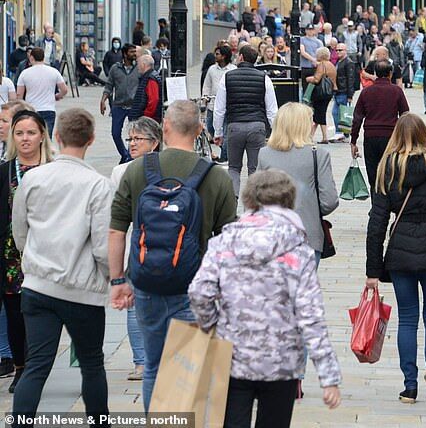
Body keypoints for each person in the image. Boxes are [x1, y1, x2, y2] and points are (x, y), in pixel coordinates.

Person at [108, 100, 237, 410]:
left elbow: (116, 231)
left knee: (152, 365)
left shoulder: (137, 169)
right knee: (185, 370)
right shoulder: (216, 176)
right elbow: (228, 241)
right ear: (200, 130)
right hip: (193, 285)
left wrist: (118, 280)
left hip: (146, 281)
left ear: (164, 128)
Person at [189, 169, 342, 425]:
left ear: (249, 200)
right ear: (289, 201)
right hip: (281, 363)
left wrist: (212, 324)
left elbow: (199, 291)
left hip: (232, 357)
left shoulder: (223, 243)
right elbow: (310, 316)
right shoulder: (298, 250)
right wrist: (329, 378)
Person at [11, 109, 112, 422]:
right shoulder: (98, 184)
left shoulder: (34, 178)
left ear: (55, 136)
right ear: (91, 140)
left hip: (39, 285)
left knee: (37, 365)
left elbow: (19, 230)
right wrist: (112, 277)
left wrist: (33, 261)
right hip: (81, 289)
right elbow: (102, 245)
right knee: (92, 364)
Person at [365, 114, 426, 404]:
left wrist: (372, 269)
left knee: (407, 318)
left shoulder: (388, 168)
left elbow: (377, 222)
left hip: (401, 252)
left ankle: (410, 385)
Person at [0, 110, 54, 393]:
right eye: (19, 133)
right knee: (15, 314)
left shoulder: (53, 170)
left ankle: (36, 366)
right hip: (11, 256)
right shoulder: (5, 170)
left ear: (42, 135)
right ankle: (21, 367)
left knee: (40, 315)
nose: (25, 138)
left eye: (31, 132)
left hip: (45, 255)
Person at [110, 117, 163, 382]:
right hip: (156, 247)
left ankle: (143, 362)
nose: (131, 144)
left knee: (136, 306)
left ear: (154, 143)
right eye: (130, 139)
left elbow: (113, 218)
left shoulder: (122, 172)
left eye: (137, 139)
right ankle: (143, 361)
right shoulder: (124, 171)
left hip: (138, 247)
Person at [258, 102, 339, 262]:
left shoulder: (264, 154)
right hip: (307, 236)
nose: (313, 124)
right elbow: (329, 201)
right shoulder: (318, 155)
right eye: (310, 120)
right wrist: (312, 211)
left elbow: (255, 199)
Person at [213, 46, 279, 195]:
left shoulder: (227, 77)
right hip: (257, 126)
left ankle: (233, 200)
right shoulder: (264, 78)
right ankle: (255, 204)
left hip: (234, 125)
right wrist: (275, 131)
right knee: (255, 168)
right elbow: (272, 110)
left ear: (241, 57)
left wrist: (218, 132)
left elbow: (219, 109)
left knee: (234, 168)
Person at [351, 60, 410, 190]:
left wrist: (353, 141)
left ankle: (376, 203)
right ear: (390, 74)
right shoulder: (396, 91)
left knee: (373, 173)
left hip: (371, 136)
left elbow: (357, 118)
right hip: (391, 136)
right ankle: (389, 202)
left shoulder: (366, 92)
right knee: (391, 172)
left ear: (376, 73)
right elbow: (406, 115)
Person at [101, 44, 140, 163]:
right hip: (118, 106)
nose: (134, 54)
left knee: (134, 134)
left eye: (135, 51)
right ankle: (124, 154)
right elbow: (109, 86)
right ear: (124, 54)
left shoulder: (139, 67)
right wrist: (103, 100)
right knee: (115, 133)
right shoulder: (115, 68)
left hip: (134, 106)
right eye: (132, 52)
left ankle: (130, 156)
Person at [16, 48, 67, 135]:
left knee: (32, 137)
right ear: (43, 58)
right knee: (47, 138)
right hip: (49, 109)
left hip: (31, 110)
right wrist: (58, 96)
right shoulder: (54, 72)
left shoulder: (24, 73)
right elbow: (64, 89)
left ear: (31, 58)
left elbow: (19, 95)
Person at [306, 47, 337, 143]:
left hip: (320, 93)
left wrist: (308, 79)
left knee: (318, 114)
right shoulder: (331, 65)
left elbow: (316, 79)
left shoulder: (322, 65)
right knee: (320, 114)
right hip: (329, 92)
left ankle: (317, 137)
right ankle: (316, 137)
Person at [332, 44, 358, 135]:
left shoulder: (348, 62)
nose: (338, 52)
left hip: (344, 91)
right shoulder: (339, 61)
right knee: (336, 113)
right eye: (337, 50)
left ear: (345, 50)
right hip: (338, 91)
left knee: (342, 113)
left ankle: (341, 133)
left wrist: (350, 94)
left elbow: (351, 78)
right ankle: (342, 132)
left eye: (340, 50)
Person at [128, 55, 162, 123]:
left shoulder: (151, 78)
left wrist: (145, 117)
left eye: (138, 64)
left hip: (146, 120)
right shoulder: (148, 77)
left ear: (143, 65)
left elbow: (154, 100)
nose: (137, 67)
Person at [299, 26, 323, 92]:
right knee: (305, 88)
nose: (310, 31)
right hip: (305, 66)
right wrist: (313, 60)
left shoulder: (319, 42)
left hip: (316, 67)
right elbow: (302, 52)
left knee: (315, 87)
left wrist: (317, 62)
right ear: (306, 30)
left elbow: (321, 54)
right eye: (308, 29)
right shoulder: (302, 40)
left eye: (311, 30)